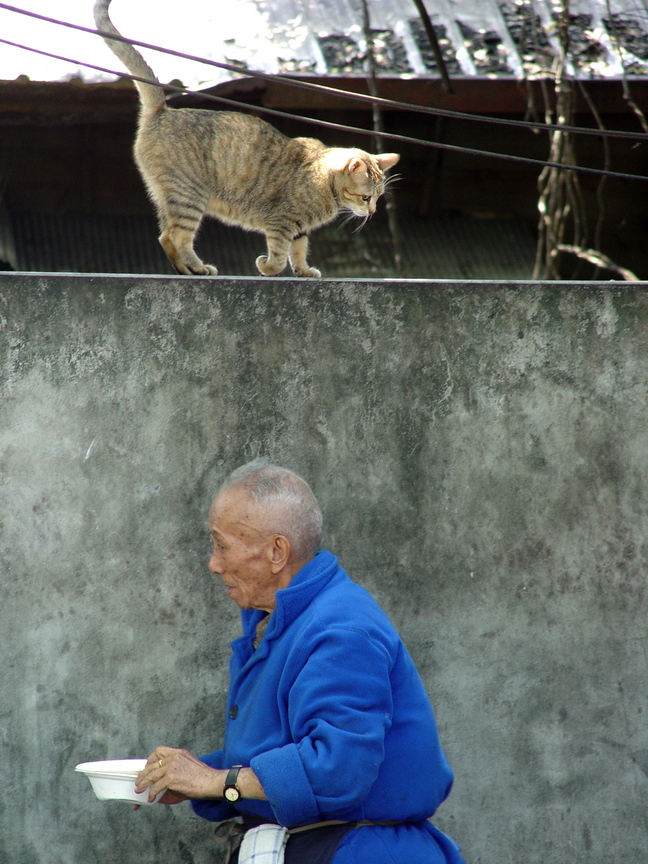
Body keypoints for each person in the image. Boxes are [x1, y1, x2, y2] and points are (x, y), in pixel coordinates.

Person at [135, 460, 466, 864]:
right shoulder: (279, 620)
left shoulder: (341, 628)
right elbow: (279, 750)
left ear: (277, 551)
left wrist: (218, 781)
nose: (214, 564)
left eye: (222, 545)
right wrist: (186, 778)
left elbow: (337, 768)